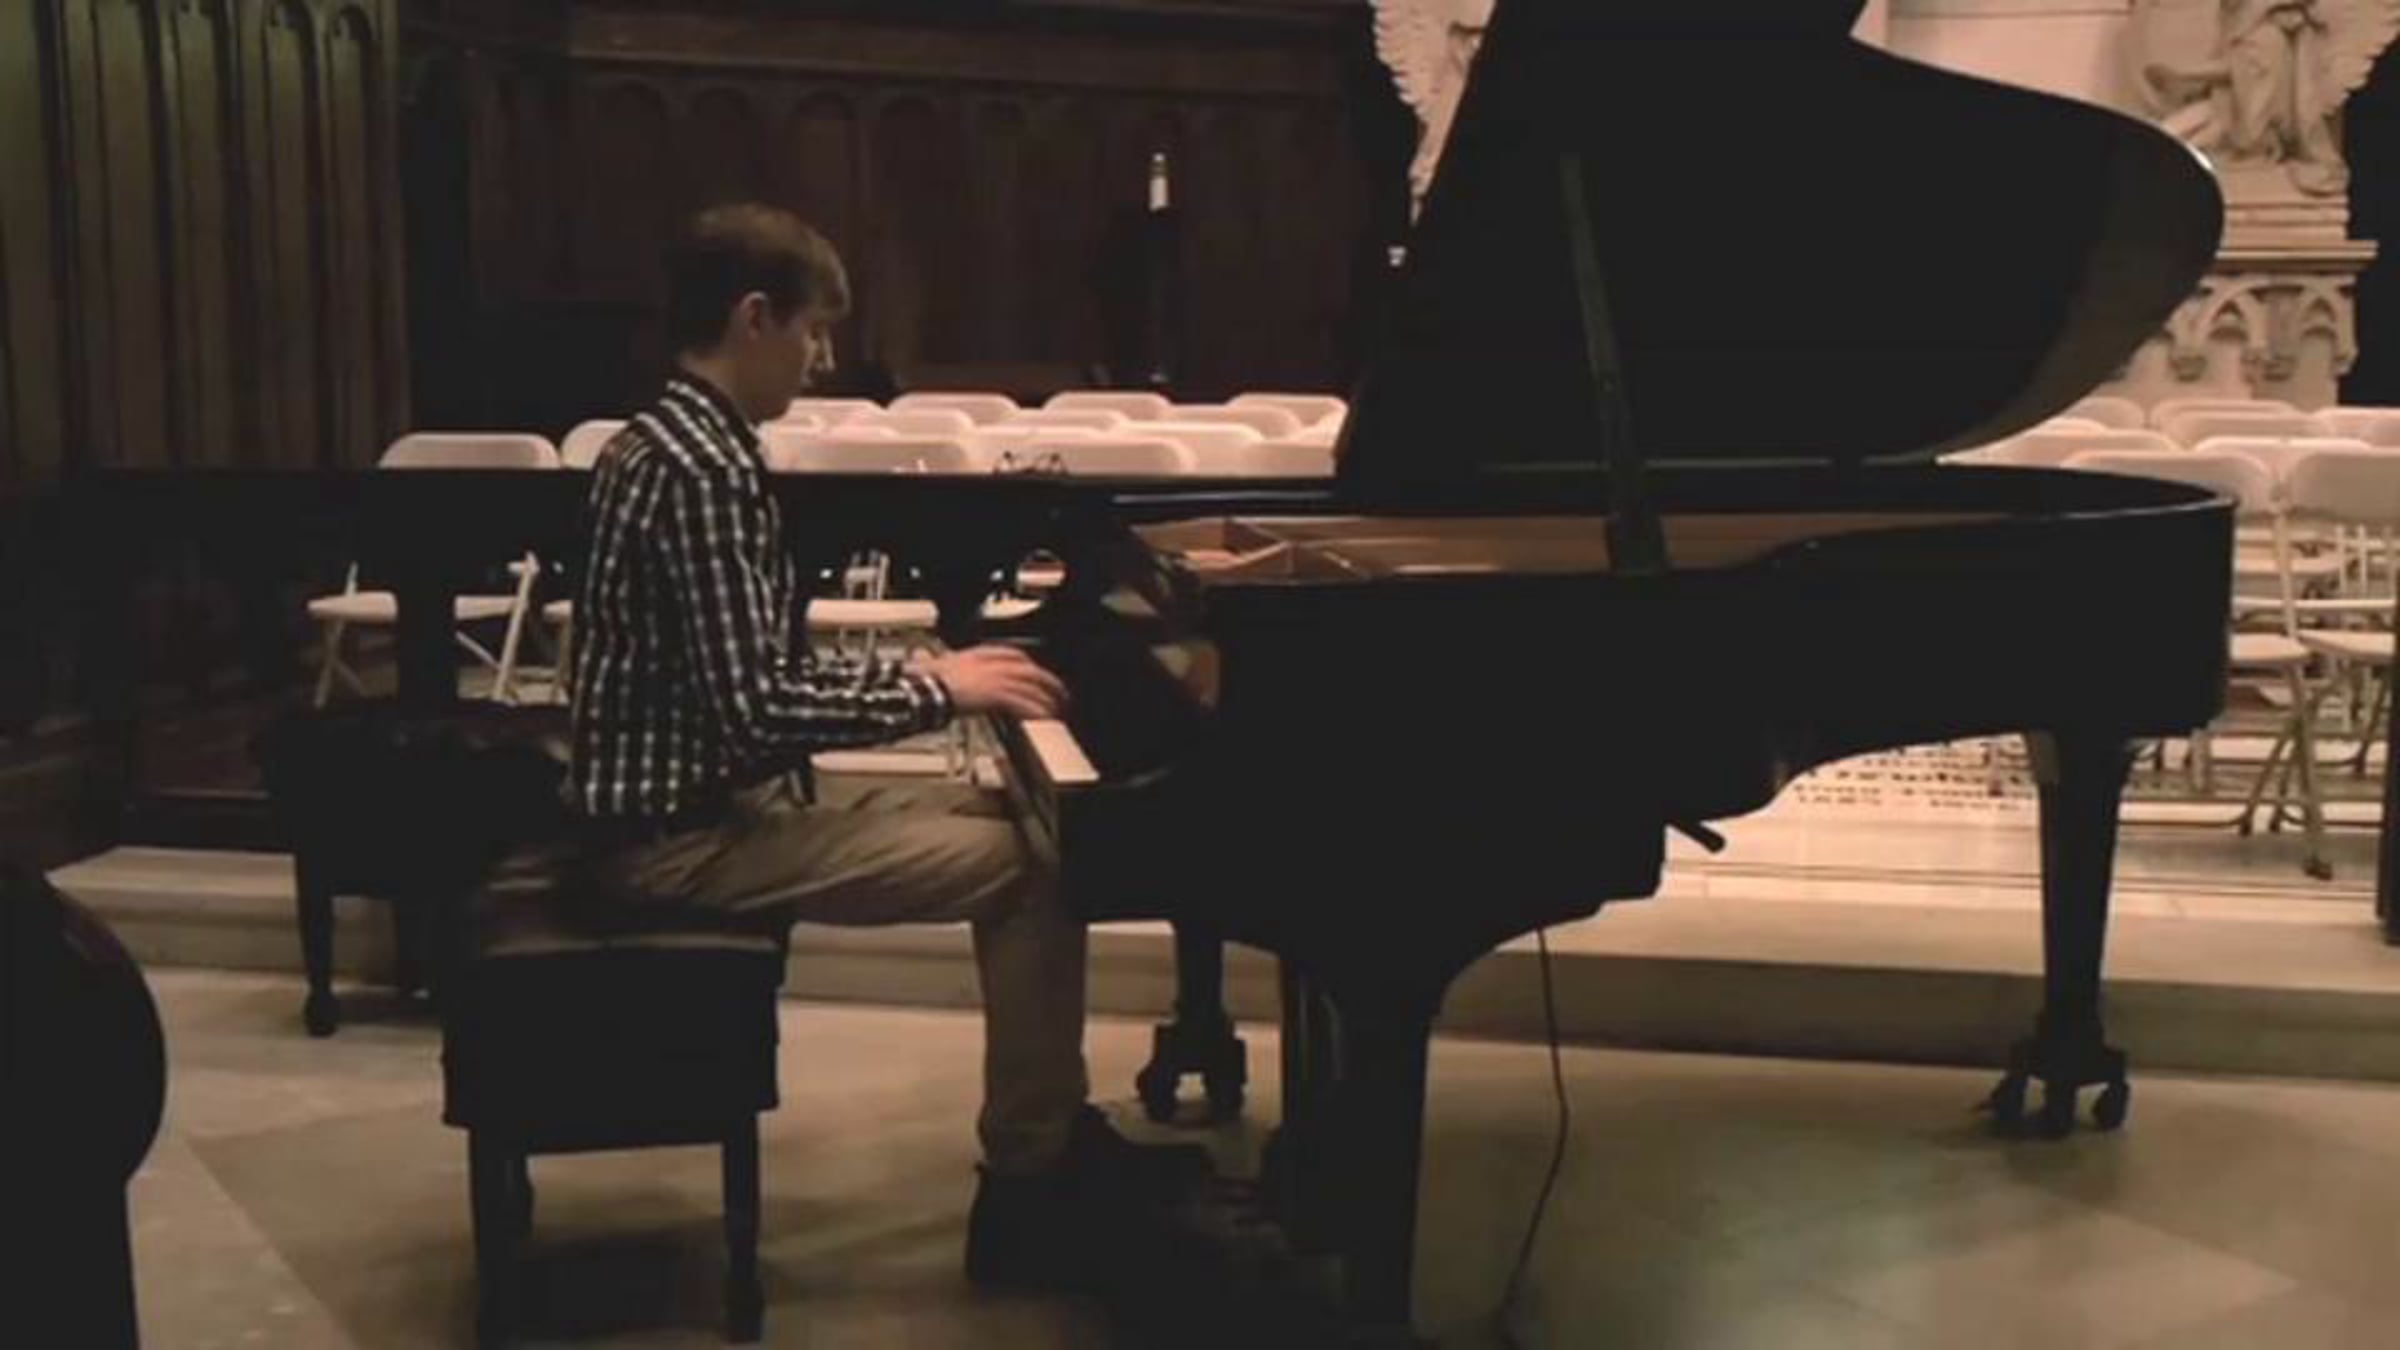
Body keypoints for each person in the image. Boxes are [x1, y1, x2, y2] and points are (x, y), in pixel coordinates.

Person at [562, 202, 1205, 1290]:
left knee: (1016, 818)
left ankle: (1053, 1133)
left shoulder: (658, 440)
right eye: (813, 331)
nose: (820, 361)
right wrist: (935, 687)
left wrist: (935, 682)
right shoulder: (703, 469)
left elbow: (740, 691)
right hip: (677, 841)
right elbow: (752, 710)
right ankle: (1031, 1184)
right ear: (754, 318)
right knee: (1038, 867)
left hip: (698, 806)